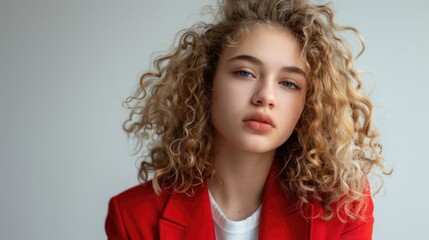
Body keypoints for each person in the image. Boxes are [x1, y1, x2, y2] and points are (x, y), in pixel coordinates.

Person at [105, 0, 389, 239]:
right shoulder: (133, 215)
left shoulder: (343, 209)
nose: (266, 96)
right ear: (206, 82)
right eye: (245, 73)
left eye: (289, 83)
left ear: (309, 103)